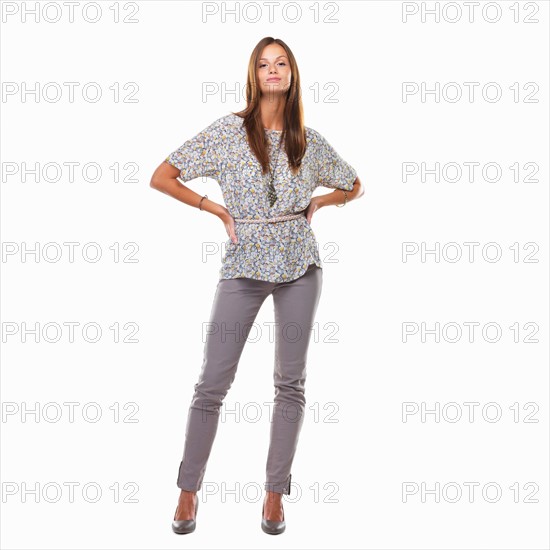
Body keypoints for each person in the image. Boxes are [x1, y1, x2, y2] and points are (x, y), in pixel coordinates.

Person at [150, 36, 364, 535]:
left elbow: (354, 183)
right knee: (212, 383)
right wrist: (213, 207)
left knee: (290, 384)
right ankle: (187, 492)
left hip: (299, 267)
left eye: (281, 63)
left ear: (292, 74)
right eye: (264, 64)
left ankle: (274, 496)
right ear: (254, 74)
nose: (273, 71)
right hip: (243, 267)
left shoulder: (308, 140)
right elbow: (163, 175)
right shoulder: (227, 132)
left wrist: (320, 204)